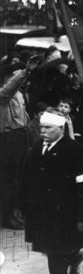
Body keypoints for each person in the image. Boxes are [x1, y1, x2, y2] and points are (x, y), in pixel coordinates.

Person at [15, 108, 83, 274]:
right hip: (42, 215)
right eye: (41, 127)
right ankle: (74, 258)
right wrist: (19, 205)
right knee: (53, 253)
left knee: (56, 260)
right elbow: (24, 178)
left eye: (48, 128)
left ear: (60, 128)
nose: (42, 131)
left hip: (66, 216)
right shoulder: (36, 149)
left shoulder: (75, 150)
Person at [0, 55, 42, 230]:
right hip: (8, 139)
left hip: (21, 136)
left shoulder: (18, 94)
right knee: (9, 180)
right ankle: (6, 217)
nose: (16, 78)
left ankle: (15, 214)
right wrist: (24, 72)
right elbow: (8, 90)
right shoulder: (4, 93)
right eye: (13, 75)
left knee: (20, 178)